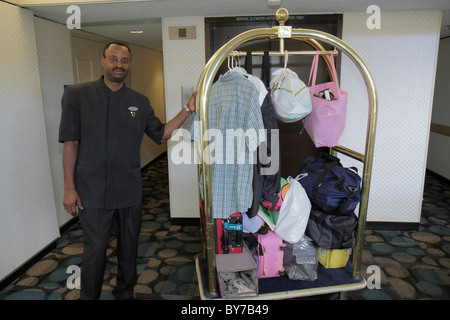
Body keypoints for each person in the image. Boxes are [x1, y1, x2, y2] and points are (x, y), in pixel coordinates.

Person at [59, 41, 196, 300]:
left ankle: (125, 294)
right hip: (92, 191)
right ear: (103, 61)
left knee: (129, 249)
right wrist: (69, 188)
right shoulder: (78, 95)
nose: (119, 65)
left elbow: (162, 134)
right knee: (96, 250)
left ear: (129, 65)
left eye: (124, 61)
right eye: (113, 59)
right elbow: (70, 143)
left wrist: (188, 109)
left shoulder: (139, 102)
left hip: (128, 190)